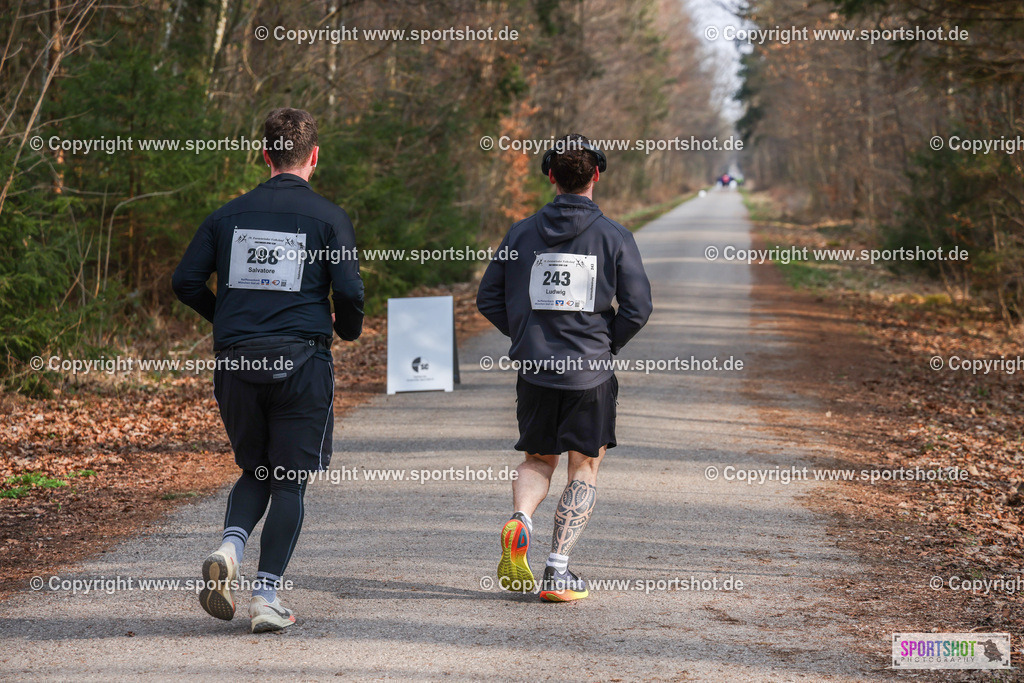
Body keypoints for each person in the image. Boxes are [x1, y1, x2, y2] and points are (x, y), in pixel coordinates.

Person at [172, 108, 364, 632]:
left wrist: (229, 322)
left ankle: (230, 548)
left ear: (265, 154)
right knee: (289, 481)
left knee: (255, 468)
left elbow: (185, 282)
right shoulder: (329, 218)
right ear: (314, 157)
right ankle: (265, 596)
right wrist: (346, 329)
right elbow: (347, 290)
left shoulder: (226, 216)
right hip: (300, 362)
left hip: (238, 362)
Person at [477, 133, 653, 602]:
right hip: (589, 373)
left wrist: (525, 335)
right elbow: (638, 307)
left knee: (539, 458)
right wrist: (602, 343)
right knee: (585, 465)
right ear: (596, 174)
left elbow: (487, 297)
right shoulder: (614, 236)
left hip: (535, 370)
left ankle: (521, 521)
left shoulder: (520, 233)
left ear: (550, 176)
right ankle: (557, 571)